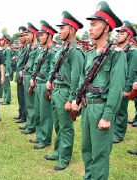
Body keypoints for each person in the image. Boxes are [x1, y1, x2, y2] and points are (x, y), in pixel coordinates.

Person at [72, 1, 126, 179]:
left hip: (101, 109)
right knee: (86, 149)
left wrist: (108, 115)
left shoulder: (116, 54)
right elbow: (82, 78)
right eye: (90, 24)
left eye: (94, 24)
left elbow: (117, 88)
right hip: (87, 108)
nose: (90, 28)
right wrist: (77, 100)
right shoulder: (90, 52)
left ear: (107, 28)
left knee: (100, 154)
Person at [45, 11, 84, 171]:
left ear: (72, 30)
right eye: (59, 28)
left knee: (66, 126)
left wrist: (72, 99)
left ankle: (65, 157)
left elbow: (77, 77)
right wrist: (50, 81)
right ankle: (58, 150)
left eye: (63, 28)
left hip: (66, 93)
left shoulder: (75, 51)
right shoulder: (62, 49)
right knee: (58, 124)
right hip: (56, 91)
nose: (59, 31)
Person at [30, 20, 57, 149]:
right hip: (38, 83)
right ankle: (39, 135)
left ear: (49, 36)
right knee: (39, 112)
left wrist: (50, 89)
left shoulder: (53, 52)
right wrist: (33, 78)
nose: (39, 37)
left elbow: (53, 71)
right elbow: (36, 67)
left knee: (46, 113)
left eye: (42, 35)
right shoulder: (41, 51)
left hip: (45, 86)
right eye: (39, 35)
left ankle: (45, 139)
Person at [113, 21, 137, 143]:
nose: (118, 35)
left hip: (123, 86)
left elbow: (132, 71)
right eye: (118, 33)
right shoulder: (117, 50)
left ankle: (119, 133)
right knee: (113, 108)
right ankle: (113, 130)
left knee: (121, 110)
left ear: (129, 36)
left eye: (122, 33)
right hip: (114, 85)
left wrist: (127, 89)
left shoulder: (132, 52)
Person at [19, 22, 41, 134]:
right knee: (27, 102)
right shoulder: (30, 48)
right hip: (26, 75)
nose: (26, 37)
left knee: (32, 102)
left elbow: (37, 65)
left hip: (31, 77)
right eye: (25, 35)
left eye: (28, 35)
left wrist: (33, 78)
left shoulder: (38, 48)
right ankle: (29, 122)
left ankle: (32, 125)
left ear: (34, 35)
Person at [14, 26, 27, 123]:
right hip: (19, 76)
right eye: (19, 36)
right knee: (20, 97)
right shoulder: (21, 49)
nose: (20, 38)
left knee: (24, 97)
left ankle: (24, 116)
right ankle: (21, 114)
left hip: (24, 76)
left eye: (22, 36)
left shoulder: (27, 49)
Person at [0, 34, 13, 105]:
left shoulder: (7, 50)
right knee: (4, 84)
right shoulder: (4, 49)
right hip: (4, 67)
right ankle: (5, 99)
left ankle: (7, 100)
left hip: (6, 68)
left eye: (1, 40)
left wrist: (7, 71)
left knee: (6, 85)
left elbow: (8, 61)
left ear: (5, 41)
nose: (0, 41)